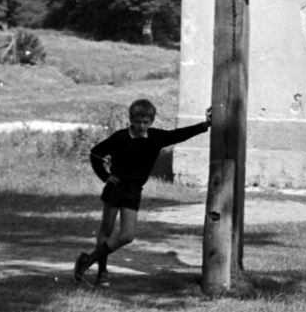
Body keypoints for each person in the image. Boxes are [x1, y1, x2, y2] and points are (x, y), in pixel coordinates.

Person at [74, 99, 211, 287]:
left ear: (151, 121)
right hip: (115, 188)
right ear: (131, 120)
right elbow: (95, 153)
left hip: (134, 191)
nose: (141, 125)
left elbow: (180, 134)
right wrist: (105, 176)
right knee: (106, 229)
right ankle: (102, 272)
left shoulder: (156, 138)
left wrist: (205, 125)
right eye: (137, 121)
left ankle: (88, 260)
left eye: (145, 122)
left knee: (127, 236)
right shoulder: (120, 137)